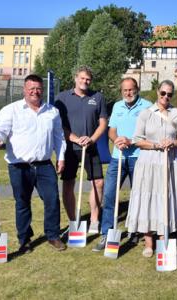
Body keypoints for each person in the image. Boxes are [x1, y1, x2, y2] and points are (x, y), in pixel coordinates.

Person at [0, 74, 67, 252]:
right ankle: (25, 239)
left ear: (42, 90)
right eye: (31, 88)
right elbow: (0, 129)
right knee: (22, 203)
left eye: (38, 88)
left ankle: (53, 236)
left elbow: (59, 137)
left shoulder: (52, 112)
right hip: (19, 166)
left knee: (52, 200)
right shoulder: (11, 110)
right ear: (24, 89)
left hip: (45, 165)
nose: (35, 92)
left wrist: (61, 157)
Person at [126, 80, 177, 257]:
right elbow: (137, 139)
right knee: (148, 198)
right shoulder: (145, 114)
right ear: (157, 92)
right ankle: (148, 242)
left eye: (169, 94)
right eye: (163, 93)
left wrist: (173, 142)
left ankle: (163, 238)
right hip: (149, 162)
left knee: (165, 199)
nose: (166, 97)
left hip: (170, 161)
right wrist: (155, 145)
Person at [93, 77, 152, 251]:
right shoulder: (117, 106)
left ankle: (136, 231)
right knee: (110, 195)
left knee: (138, 197)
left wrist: (132, 141)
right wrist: (117, 140)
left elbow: (151, 132)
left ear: (137, 88)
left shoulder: (147, 106)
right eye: (125, 90)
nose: (128, 93)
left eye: (131, 89)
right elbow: (111, 130)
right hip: (118, 157)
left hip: (139, 157)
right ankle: (107, 234)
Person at [55, 66, 108, 235]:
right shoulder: (62, 98)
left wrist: (91, 139)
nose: (85, 82)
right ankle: (73, 221)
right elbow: (59, 126)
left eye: (88, 79)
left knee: (98, 182)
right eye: (82, 78)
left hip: (91, 147)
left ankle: (94, 219)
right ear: (75, 78)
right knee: (68, 184)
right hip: (70, 148)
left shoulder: (97, 97)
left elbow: (103, 123)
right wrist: (76, 139)